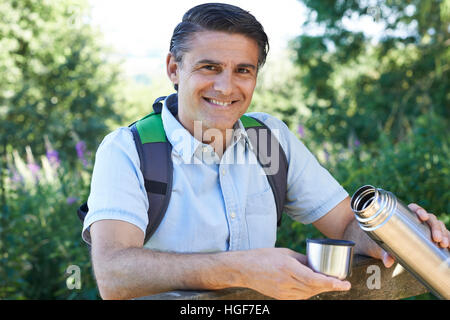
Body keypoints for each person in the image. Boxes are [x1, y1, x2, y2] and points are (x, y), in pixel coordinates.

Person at [81, 3, 450, 300]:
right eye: (210, 67)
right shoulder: (127, 150)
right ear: (174, 68)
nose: (226, 87)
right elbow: (114, 274)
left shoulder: (269, 139)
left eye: (243, 70)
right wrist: (238, 268)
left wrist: (400, 236)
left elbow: (345, 225)